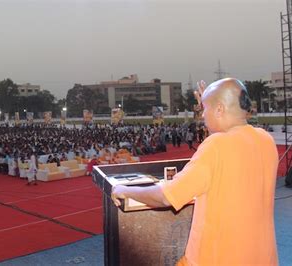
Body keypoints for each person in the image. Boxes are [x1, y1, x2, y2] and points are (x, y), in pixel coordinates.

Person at [111, 78, 278, 265]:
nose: (202, 116)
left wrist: (124, 190)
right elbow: (230, 147)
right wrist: (210, 101)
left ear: (220, 109)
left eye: (204, 110)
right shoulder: (266, 140)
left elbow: (166, 196)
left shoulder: (215, 147)